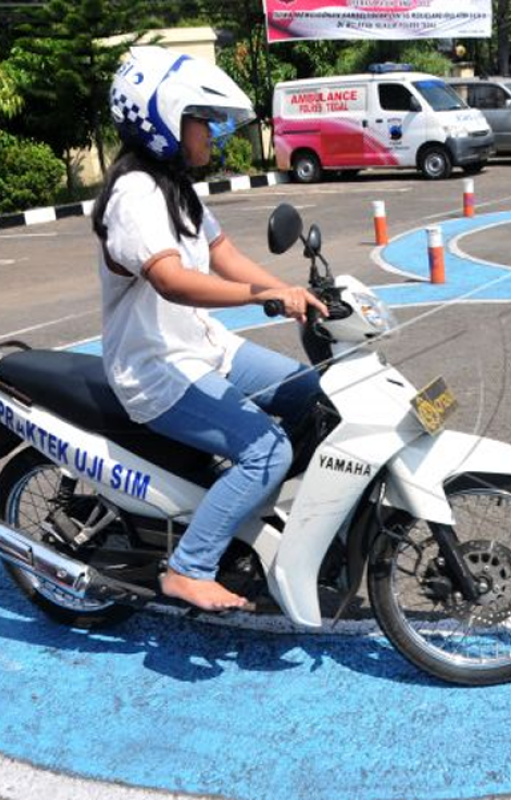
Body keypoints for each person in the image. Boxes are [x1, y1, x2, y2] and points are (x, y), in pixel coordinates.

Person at [91, 46, 327, 612]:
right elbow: (172, 281)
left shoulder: (177, 187)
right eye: (202, 121)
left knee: (316, 395)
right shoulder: (134, 196)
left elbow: (223, 255)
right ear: (165, 122)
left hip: (203, 350)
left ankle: (247, 515)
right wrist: (266, 295)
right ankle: (189, 567)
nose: (212, 133)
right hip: (157, 369)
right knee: (266, 450)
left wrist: (295, 292)